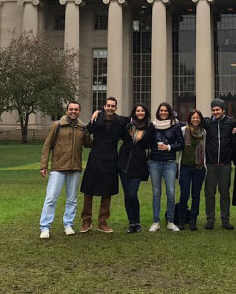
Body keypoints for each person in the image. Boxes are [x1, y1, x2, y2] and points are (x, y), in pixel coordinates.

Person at [38, 101, 92, 239]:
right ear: (67, 110)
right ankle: (45, 227)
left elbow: (88, 144)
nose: (73, 111)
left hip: (75, 167)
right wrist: (44, 165)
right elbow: (47, 146)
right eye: (71, 109)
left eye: (76, 109)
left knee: (72, 199)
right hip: (58, 167)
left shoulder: (82, 127)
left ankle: (68, 224)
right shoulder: (57, 125)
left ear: (79, 111)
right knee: (51, 198)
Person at [81, 97, 128, 233]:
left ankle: (102, 222)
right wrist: (89, 144)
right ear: (104, 106)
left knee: (107, 192)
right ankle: (86, 220)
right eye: (108, 106)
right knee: (88, 190)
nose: (110, 108)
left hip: (111, 159)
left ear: (116, 108)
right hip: (95, 157)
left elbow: (130, 127)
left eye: (113, 106)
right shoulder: (96, 118)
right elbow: (86, 132)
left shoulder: (120, 122)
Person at [148, 101, 184, 232]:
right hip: (154, 162)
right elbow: (148, 141)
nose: (163, 113)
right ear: (158, 112)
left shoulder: (175, 126)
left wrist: (169, 147)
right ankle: (156, 222)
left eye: (165, 111)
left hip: (169, 162)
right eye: (161, 111)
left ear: (169, 113)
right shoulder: (153, 126)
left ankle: (170, 221)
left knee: (171, 193)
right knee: (156, 193)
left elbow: (181, 144)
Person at [203, 98, 236, 230]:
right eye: (213, 110)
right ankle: (210, 219)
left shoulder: (231, 122)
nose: (215, 112)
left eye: (218, 110)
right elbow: (192, 123)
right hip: (211, 164)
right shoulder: (207, 122)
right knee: (209, 193)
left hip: (225, 164)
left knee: (225, 193)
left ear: (223, 110)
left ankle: (225, 219)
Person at [118, 104, 151, 234]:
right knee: (127, 195)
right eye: (138, 110)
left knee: (132, 193)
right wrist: (98, 111)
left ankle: (137, 221)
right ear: (134, 112)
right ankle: (132, 222)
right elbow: (115, 118)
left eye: (142, 110)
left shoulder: (149, 127)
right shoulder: (127, 125)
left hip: (139, 164)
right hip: (124, 164)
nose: (140, 112)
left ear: (145, 112)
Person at [175, 109, 207, 231]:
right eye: (193, 117)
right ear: (189, 119)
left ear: (200, 119)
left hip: (199, 168)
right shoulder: (183, 130)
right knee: (184, 194)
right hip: (185, 167)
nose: (195, 120)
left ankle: (193, 219)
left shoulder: (204, 132)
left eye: (197, 118)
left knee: (196, 195)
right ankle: (182, 219)